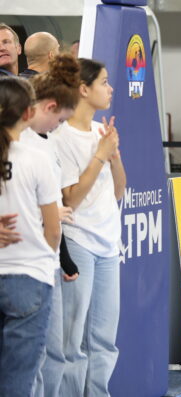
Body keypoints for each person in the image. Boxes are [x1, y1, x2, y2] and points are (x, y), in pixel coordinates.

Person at [51, 58, 127, 395]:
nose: (110, 89)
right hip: (78, 241)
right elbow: (71, 199)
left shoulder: (101, 132)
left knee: (104, 339)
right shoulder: (61, 137)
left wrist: (114, 154)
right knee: (73, 339)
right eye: (104, 82)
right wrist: (99, 155)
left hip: (109, 243)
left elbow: (119, 190)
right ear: (83, 89)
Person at [23, 54, 82, 397]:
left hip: (47, 258)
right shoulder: (21, 147)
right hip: (26, 263)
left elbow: (54, 211)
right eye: (59, 120)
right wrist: (47, 215)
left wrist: (62, 257)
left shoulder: (47, 144)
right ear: (49, 107)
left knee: (53, 352)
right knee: (32, 355)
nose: (59, 127)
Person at [0, 77, 61, 397]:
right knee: (18, 382)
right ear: (27, 113)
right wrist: (45, 259)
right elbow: (53, 228)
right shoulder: (36, 158)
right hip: (29, 276)